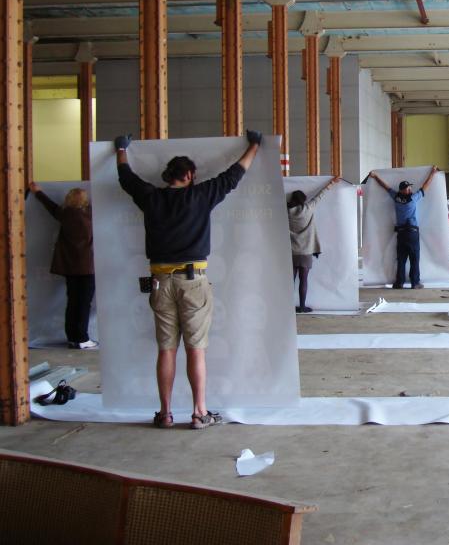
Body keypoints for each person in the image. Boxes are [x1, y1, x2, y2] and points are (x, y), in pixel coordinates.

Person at [115, 130, 261, 430]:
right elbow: (234, 174)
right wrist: (254, 145)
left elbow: (126, 177)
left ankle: (165, 413)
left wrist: (121, 149)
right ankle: (198, 413)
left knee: (166, 349)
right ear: (190, 175)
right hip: (193, 282)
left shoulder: (151, 197)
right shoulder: (201, 195)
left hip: (160, 282)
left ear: (169, 176)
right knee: (196, 349)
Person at [29, 182, 98, 349]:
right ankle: (82, 338)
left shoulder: (64, 213)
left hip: (70, 267)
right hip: (87, 267)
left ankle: (72, 337)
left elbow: (49, 205)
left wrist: (37, 192)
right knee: (84, 304)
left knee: (72, 302)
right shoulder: (91, 214)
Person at [369, 166, 438, 289]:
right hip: (412, 233)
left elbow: (385, 187)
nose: (410, 189)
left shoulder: (396, 197)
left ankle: (399, 282)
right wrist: (432, 173)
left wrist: (375, 177)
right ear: (403, 190)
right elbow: (425, 186)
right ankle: (415, 283)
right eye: (408, 188)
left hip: (401, 233)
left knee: (401, 259)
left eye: (409, 187)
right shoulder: (413, 198)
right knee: (414, 258)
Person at [288, 177, 339, 314]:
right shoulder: (308, 208)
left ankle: (287, 308)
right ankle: (302, 306)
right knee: (303, 280)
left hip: (291, 252)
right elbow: (319, 196)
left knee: (290, 282)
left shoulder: (286, 212)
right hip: (306, 251)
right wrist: (331, 183)